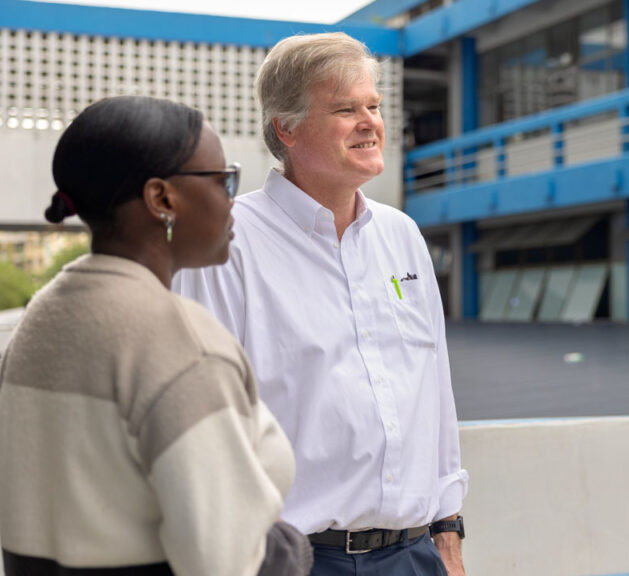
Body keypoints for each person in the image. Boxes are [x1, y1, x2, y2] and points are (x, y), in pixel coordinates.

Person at [174, 32, 468, 576]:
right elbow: (200, 420)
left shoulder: (402, 235)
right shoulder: (226, 242)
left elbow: (436, 392)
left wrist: (448, 533)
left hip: (416, 556)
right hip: (293, 559)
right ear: (285, 128)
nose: (369, 122)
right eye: (344, 109)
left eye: (374, 107)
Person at [0, 96, 313, 575]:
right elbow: (223, 563)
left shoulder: (42, 318)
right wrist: (291, 550)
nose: (233, 200)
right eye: (223, 180)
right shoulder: (177, 341)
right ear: (162, 198)